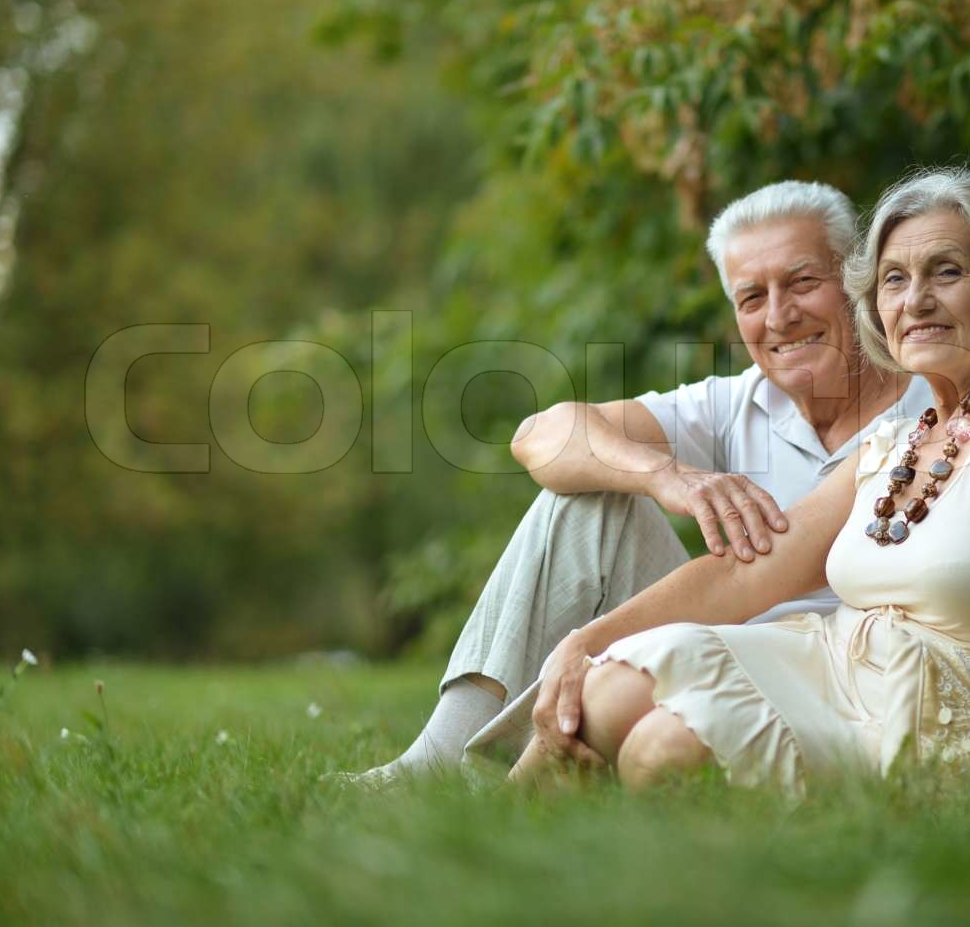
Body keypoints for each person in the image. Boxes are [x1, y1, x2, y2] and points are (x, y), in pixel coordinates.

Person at [512, 166, 970, 792]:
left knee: (661, 751)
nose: (916, 299)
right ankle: (500, 842)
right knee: (605, 690)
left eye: (945, 271)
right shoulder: (897, 441)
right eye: (894, 279)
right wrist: (583, 643)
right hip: (838, 667)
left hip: (950, 714)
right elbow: (747, 571)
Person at [347, 181, 934, 782]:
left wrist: (587, 640)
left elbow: (755, 575)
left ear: (857, 278)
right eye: (752, 296)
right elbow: (541, 435)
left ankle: (525, 765)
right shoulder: (740, 403)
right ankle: (435, 763)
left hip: (844, 669)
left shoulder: (931, 406)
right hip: (721, 635)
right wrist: (666, 476)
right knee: (590, 499)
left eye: (803, 282)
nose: (780, 315)